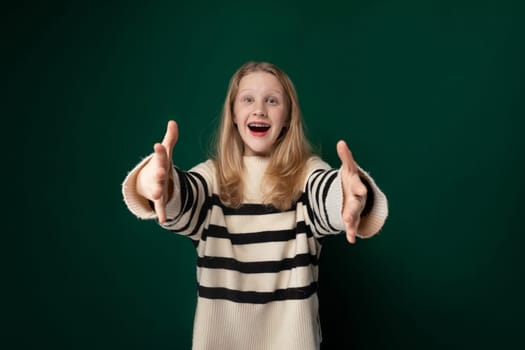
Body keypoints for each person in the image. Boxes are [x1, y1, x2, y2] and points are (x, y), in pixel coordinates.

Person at [122, 61, 388, 350]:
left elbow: (327, 194)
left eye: (272, 101)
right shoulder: (211, 178)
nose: (259, 109)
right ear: (234, 114)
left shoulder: (306, 174)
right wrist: (152, 183)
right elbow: (179, 197)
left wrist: (350, 197)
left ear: (287, 117)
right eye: (248, 99)